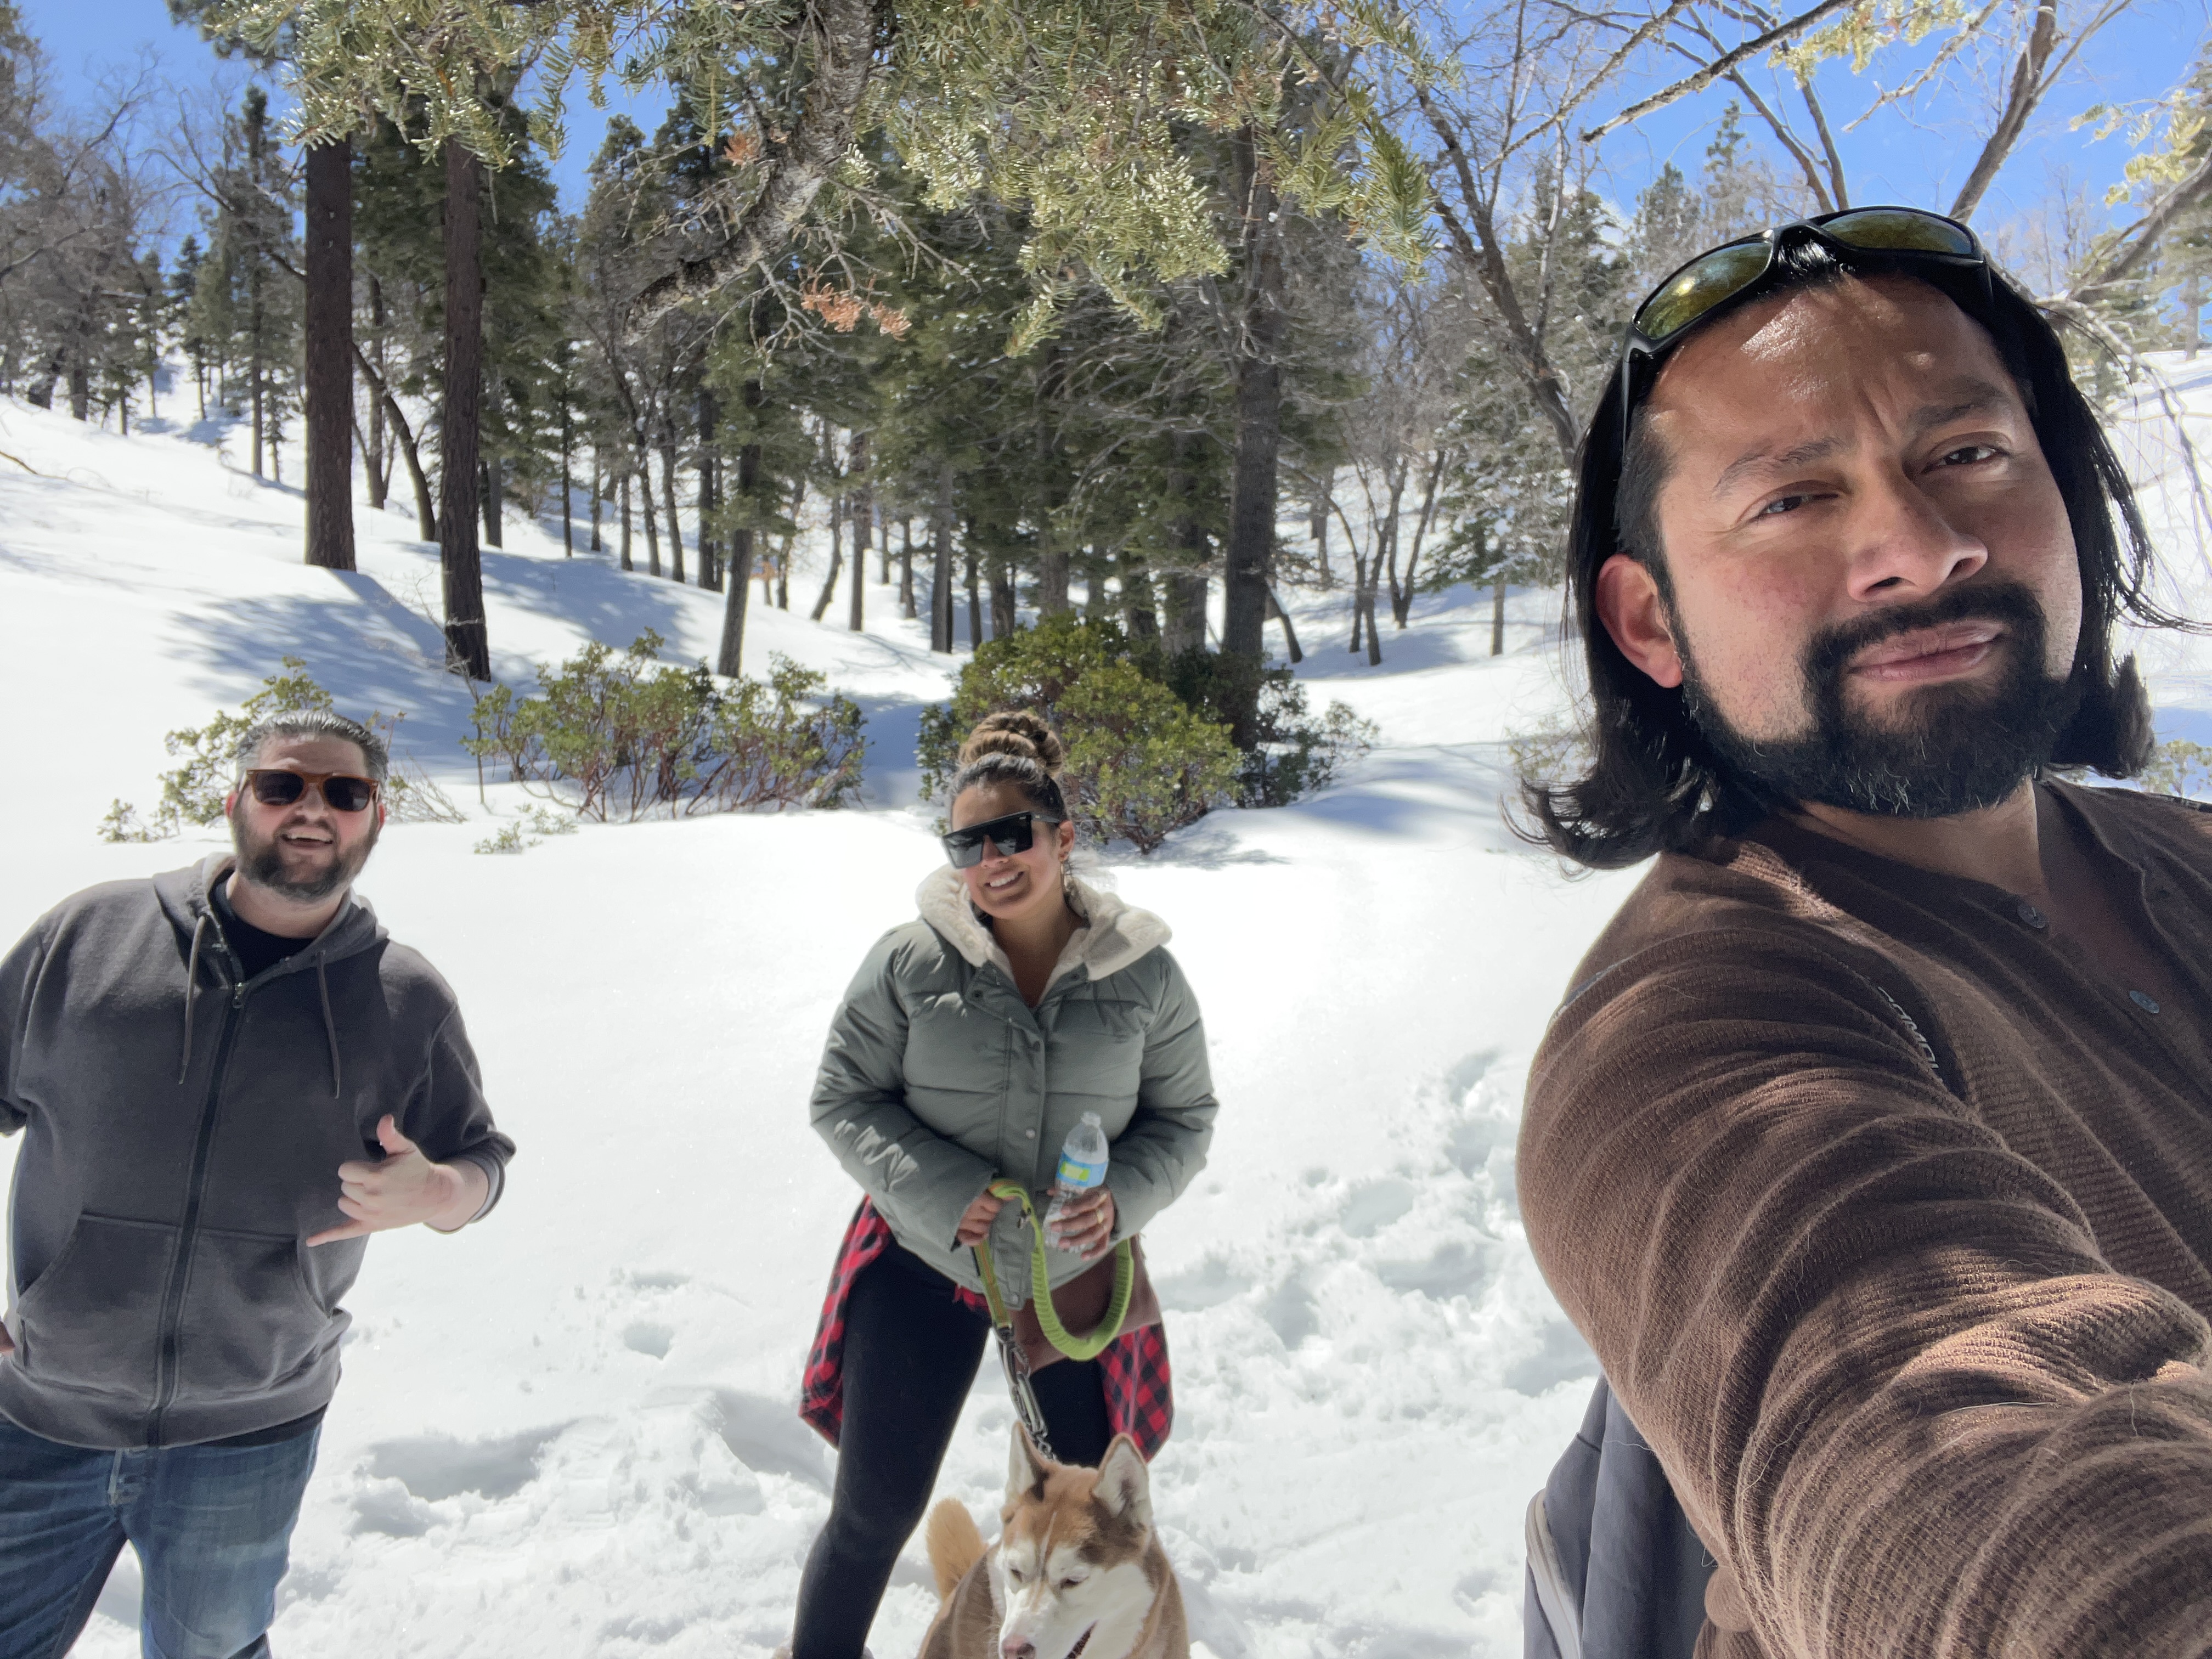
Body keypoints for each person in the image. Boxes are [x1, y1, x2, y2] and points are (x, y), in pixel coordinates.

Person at [1515, 207, 2212, 1658]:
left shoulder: (2189, 852)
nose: (1918, 545)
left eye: (1965, 457)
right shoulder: (1694, 1040)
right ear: (1651, 625)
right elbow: (1954, 1480)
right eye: (1791, 498)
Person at [0, 710, 515, 1659]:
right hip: (40, 1408)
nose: (311, 810)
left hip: (251, 1430)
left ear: (375, 820)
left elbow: (483, 1160)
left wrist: (440, 1194)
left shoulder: (405, 998)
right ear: (237, 801)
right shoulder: (88, 939)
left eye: (343, 793)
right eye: (284, 786)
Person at [793, 710, 1217, 1659]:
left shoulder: (1145, 976)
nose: (992, 858)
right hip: (923, 1263)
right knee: (872, 1516)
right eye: (967, 841)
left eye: (1013, 834)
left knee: (1094, 1532)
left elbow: (1185, 1121)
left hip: (1071, 1286)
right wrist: (945, 1192)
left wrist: (1125, 1200)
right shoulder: (908, 963)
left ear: (1062, 839)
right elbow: (842, 1100)